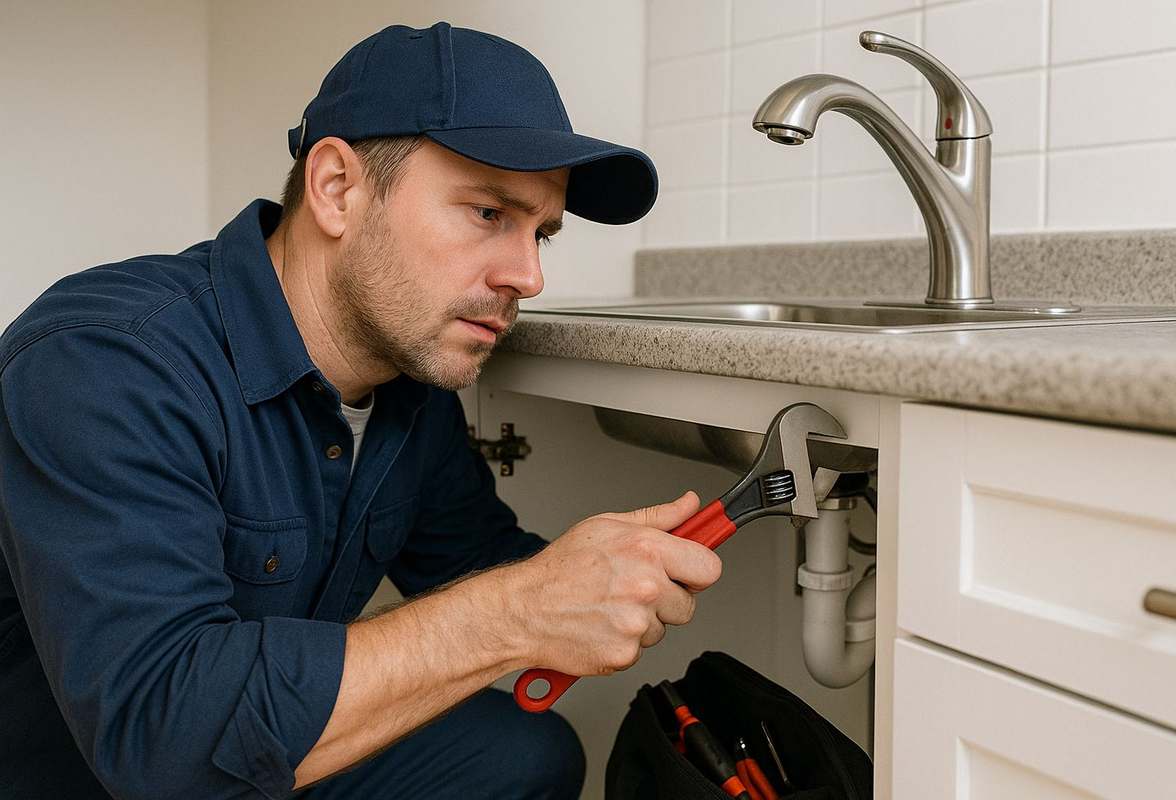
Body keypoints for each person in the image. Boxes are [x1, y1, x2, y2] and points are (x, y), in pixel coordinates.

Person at [0, 21, 724, 800]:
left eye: (540, 233)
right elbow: (161, 735)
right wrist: (520, 609)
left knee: (524, 753)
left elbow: (475, 561)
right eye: (489, 213)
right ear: (338, 188)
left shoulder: (407, 378)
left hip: (263, 757)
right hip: (106, 775)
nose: (528, 275)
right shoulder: (105, 362)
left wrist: (611, 572)